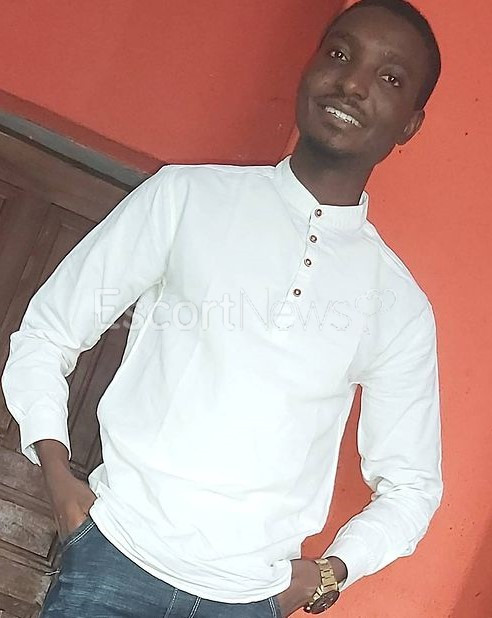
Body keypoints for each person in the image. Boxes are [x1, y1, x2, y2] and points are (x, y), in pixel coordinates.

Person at [1, 0, 443, 616]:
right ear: (310, 67)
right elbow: (47, 333)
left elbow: (413, 486)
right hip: (114, 560)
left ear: (410, 125)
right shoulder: (186, 198)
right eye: (340, 54)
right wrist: (57, 476)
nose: (352, 83)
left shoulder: (397, 304)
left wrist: (329, 572)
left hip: (247, 599)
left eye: (389, 78)